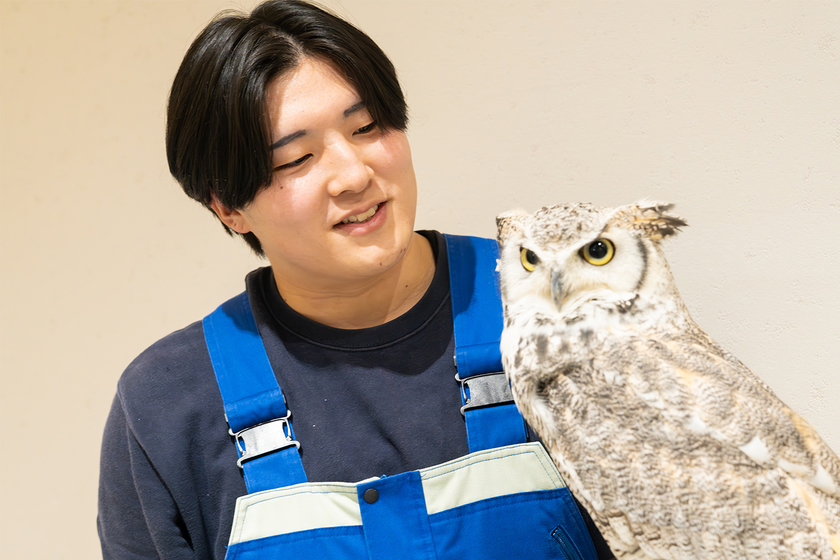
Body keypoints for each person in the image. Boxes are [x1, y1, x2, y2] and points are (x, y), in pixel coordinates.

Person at [97, 1, 615, 559]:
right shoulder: (169, 405)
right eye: (296, 159)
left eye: (367, 127)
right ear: (229, 208)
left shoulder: (562, 309)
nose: (353, 175)